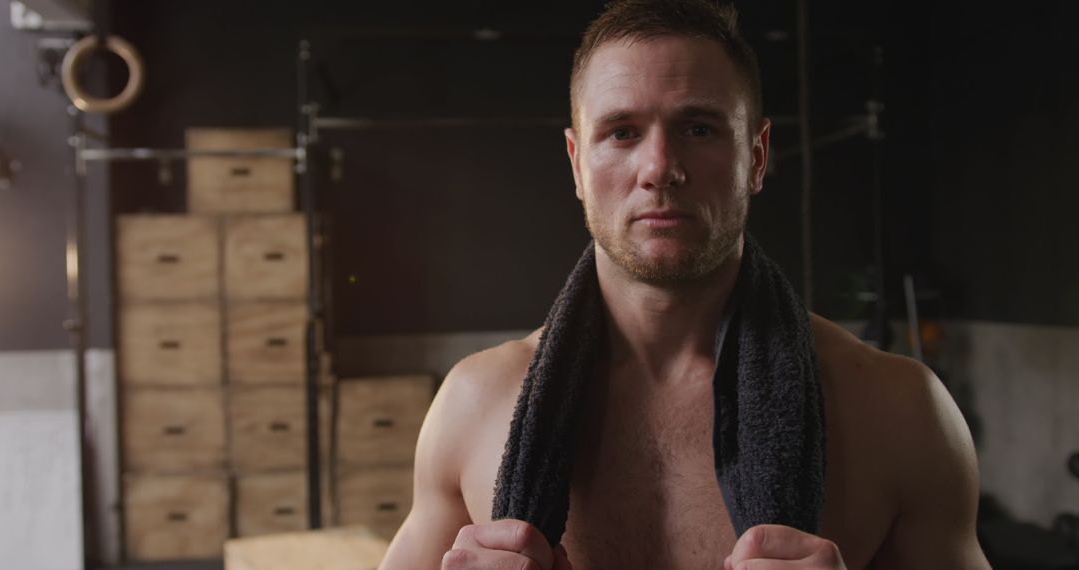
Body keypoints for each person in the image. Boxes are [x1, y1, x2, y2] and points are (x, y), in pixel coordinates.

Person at [379, 1, 989, 568]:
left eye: (698, 128)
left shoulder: (899, 410)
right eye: (621, 132)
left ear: (756, 157)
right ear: (576, 166)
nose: (659, 168)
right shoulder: (474, 405)